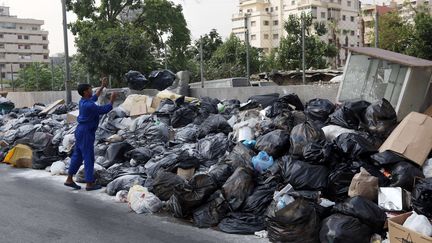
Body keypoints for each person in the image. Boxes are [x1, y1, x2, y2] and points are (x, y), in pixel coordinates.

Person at [64, 78, 117, 191]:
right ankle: (89, 183)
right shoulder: (89, 105)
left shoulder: (83, 101)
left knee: (77, 155)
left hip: (80, 131)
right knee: (88, 157)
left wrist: (102, 86)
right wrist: (112, 100)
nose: (92, 91)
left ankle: (69, 179)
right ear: (85, 92)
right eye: (90, 89)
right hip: (86, 132)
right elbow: (103, 109)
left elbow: (94, 97)